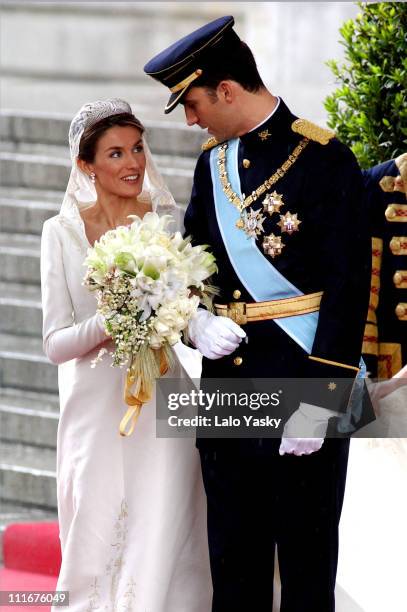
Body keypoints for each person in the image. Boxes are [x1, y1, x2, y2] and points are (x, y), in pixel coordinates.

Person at [144, 16, 375, 612]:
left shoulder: (325, 158)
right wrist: (194, 320)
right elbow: (195, 264)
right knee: (234, 564)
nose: (190, 119)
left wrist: (319, 402)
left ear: (226, 89)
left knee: (305, 564)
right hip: (227, 387)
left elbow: (349, 289)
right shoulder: (210, 165)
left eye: (193, 104)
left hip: (302, 381)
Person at [40, 98, 212, 611]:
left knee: (167, 522)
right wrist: (116, 317)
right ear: (85, 165)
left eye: (138, 148)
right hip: (95, 409)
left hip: (165, 397)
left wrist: (184, 316)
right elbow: (54, 345)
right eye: (115, 154)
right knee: (97, 527)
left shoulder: (163, 222)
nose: (133, 163)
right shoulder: (61, 233)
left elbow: (184, 313)